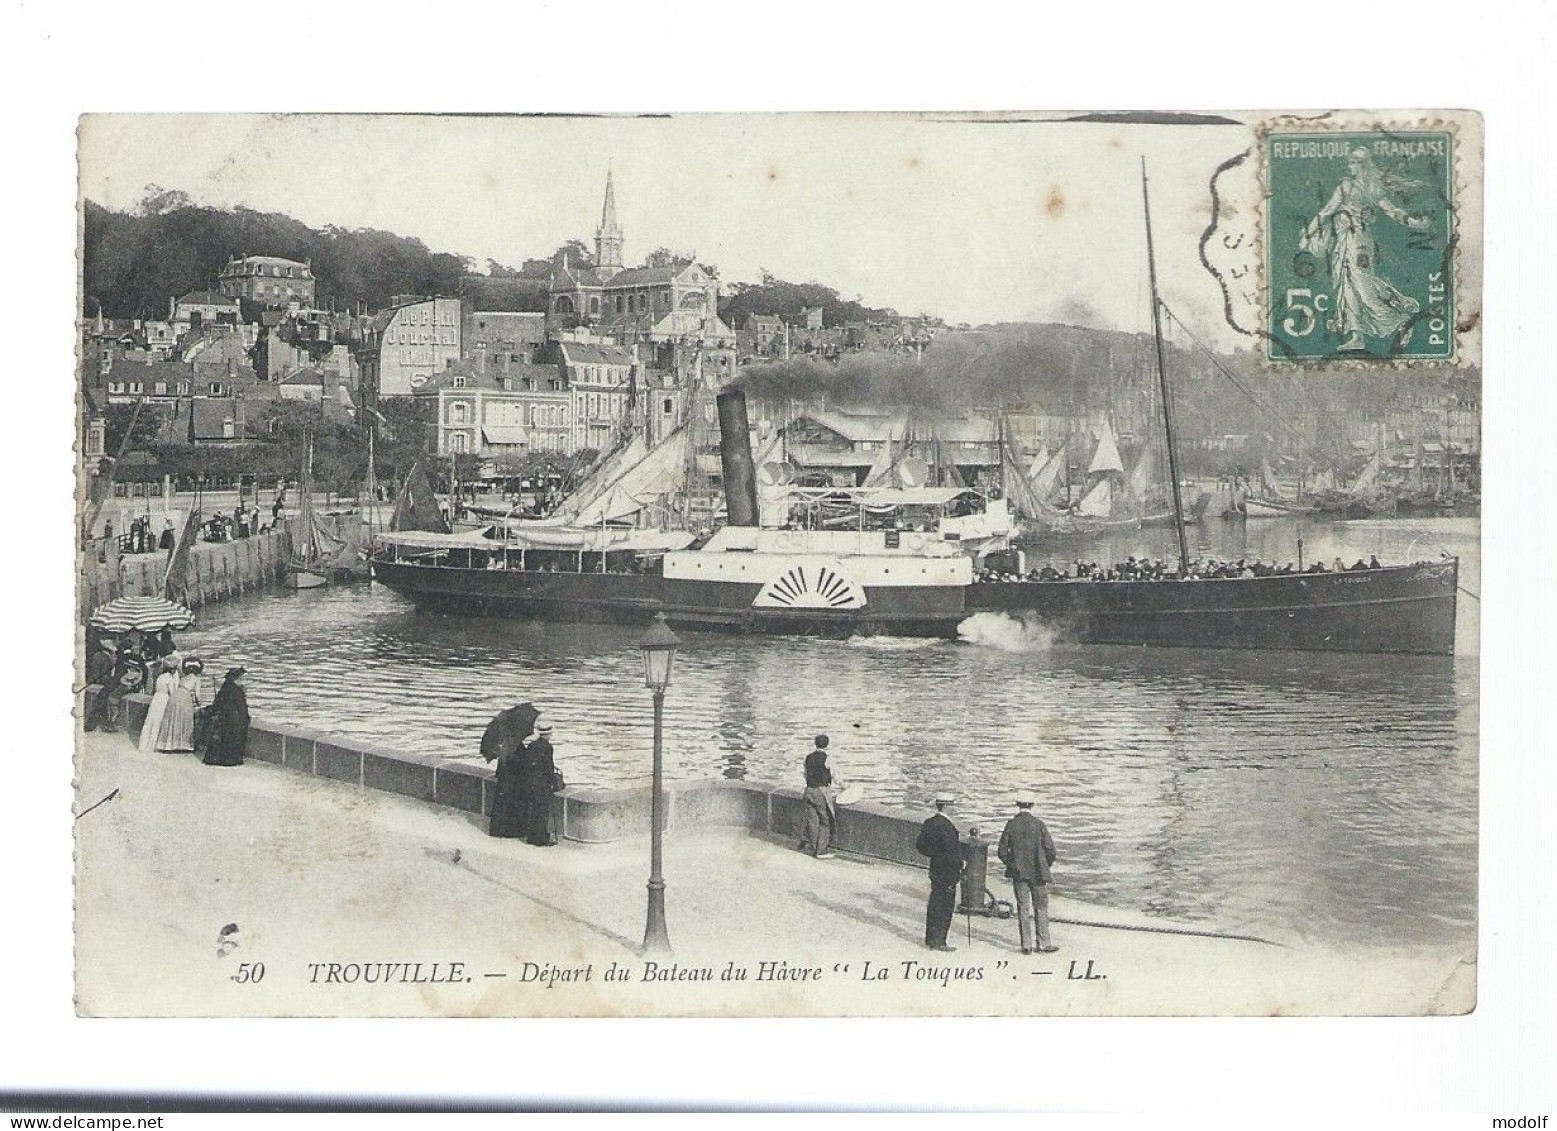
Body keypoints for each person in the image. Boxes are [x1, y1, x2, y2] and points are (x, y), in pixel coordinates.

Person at [998, 791, 1059, 955]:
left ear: (1018, 805)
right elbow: (1051, 850)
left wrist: (1013, 865)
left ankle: (1026, 945)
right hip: (1038, 874)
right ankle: (1044, 943)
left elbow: (1002, 852)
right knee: (1041, 907)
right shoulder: (1039, 825)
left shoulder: (1011, 824)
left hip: (1019, 874)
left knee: (1023, 908)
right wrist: (1045, 865)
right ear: (1032, 805)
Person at [915, 793, 964, 952]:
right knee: (945, 907)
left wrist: (935, 854)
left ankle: (930, 938)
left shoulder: (930, 822)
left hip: (935, 868)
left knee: (934, 903)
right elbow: (952, 853)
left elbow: (920, 845)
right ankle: (940, 941)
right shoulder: (947, 827)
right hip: (948, 872)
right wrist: (961, 864)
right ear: (948, 806)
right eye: (953, 805)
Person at [518, 722, 558, 846]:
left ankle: (532, 837)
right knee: (542, 811)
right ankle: (540, 839)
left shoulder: (531, 745)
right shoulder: (547, 747)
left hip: (530, 782)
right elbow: (548, 768)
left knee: (533, 810)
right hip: (542, 784)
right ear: (549, 734)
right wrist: (553, 783)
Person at [201, 667, 250, 766]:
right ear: (236, 679)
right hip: (234, 720)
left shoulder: (225, 687)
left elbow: (217, 704)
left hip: (223, 719)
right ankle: (231, 759)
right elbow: (242, 708)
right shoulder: (238, 691)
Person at [798, 734, 837, 859]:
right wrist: (847, 788)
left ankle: (813, 847)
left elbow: (805, 774)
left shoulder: (808, 758)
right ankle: (821, 851)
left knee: (812, 820)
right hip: (821, 791)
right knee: (825, 820)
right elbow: (835, 775)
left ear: (815, 744)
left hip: (809, 790)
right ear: (827, 744)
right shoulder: (827, 758)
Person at [488, 733, 529, 839]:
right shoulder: (519, 748)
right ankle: (512, 831)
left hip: (503, 783)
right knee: (512, 807)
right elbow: (522, 767)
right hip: (513, 784)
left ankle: (497, 830)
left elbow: (500, 769)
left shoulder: (505, 746)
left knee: (501, 808)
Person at [157, 657, 202, 753]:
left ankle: (169, 744)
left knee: (174, 718)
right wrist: (199, 704)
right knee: (185, 719)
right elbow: (197, 695)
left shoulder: (183, 677)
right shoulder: (197, 679)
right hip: (185, 697)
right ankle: (184, 745)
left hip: (175, 696)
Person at [139, 650, 179, 754]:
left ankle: (145, 744)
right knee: (160, 721)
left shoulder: (160, 676)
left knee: (151, 720)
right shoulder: (169, 678)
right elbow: (173, 692)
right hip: (164, 699)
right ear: (173, 669)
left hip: (156, 698)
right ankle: (156, 744)